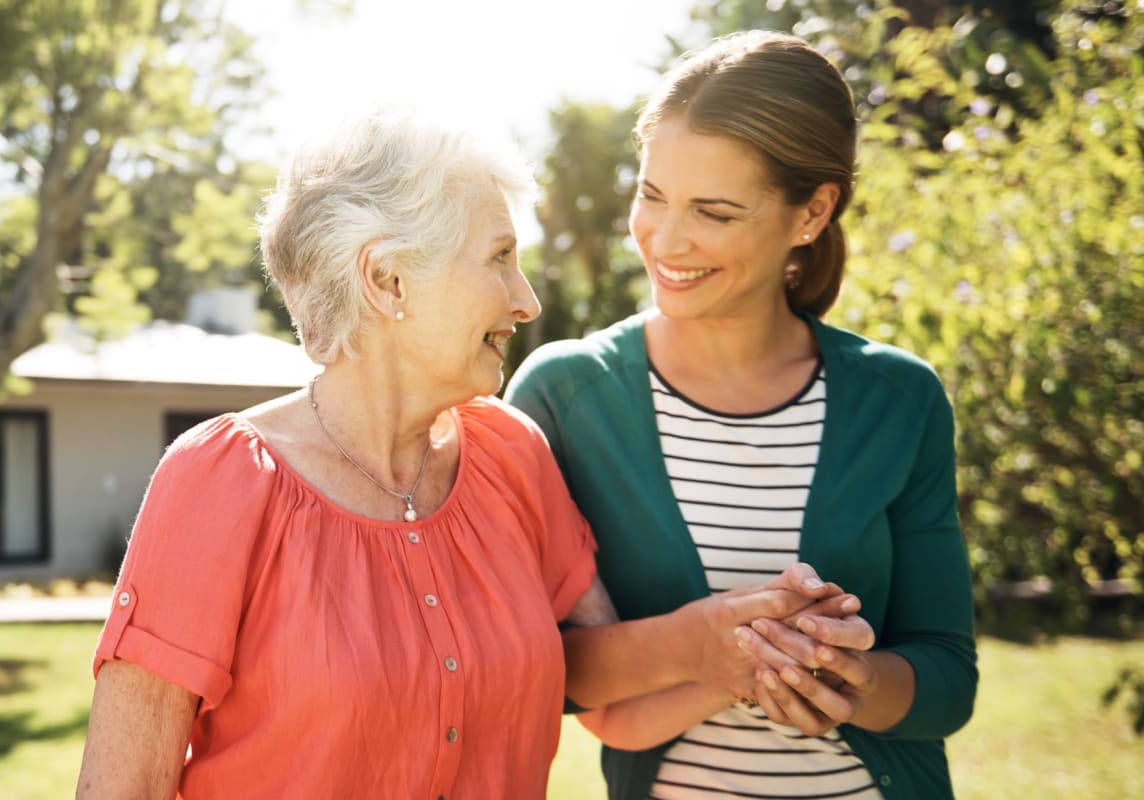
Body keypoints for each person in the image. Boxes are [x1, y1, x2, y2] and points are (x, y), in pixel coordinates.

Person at [74, 107, 868, 799]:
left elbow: (611, 707)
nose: (527, 300)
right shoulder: (220, 481)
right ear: (387, 280)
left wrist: (755, 649)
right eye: (498, 258)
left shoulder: (511, 451)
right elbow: (125, 785)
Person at [506, 30, 978, 800]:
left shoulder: (901, 398)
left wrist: (853, 675)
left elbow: (948, 681)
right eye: (651, 195)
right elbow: (528, 668)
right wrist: (702, 649)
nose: (666, 238)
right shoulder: (563, 398)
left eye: (714, 212)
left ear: (812, 213)